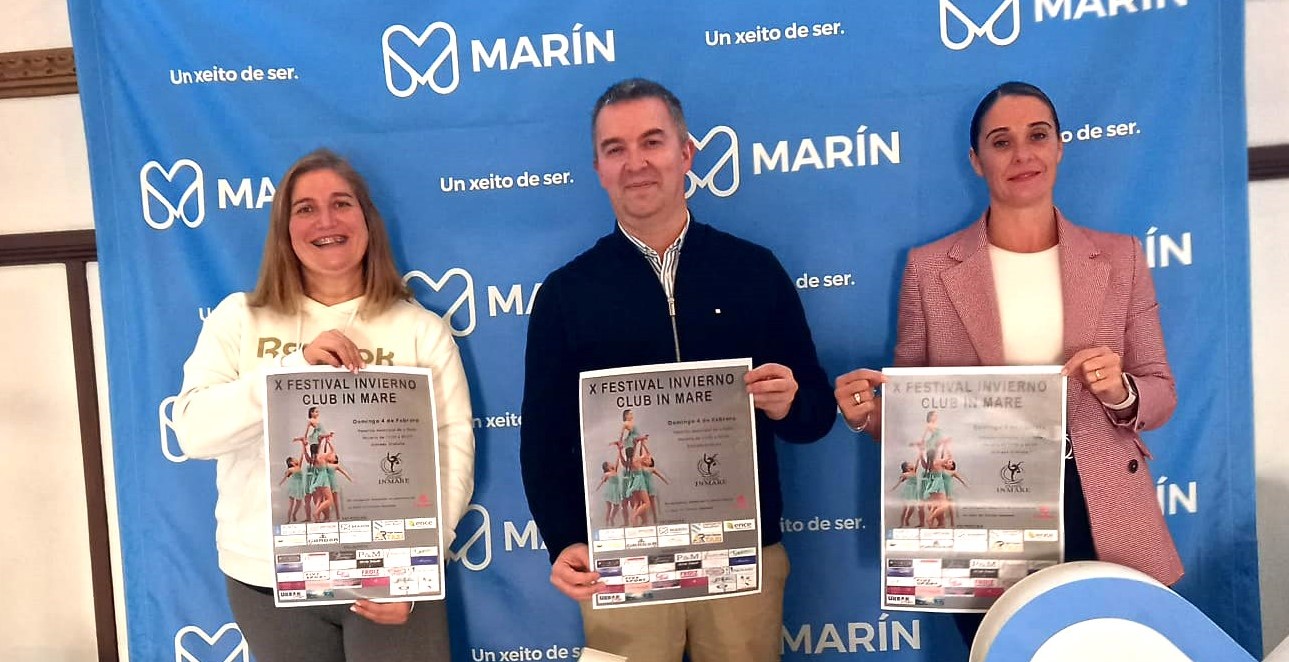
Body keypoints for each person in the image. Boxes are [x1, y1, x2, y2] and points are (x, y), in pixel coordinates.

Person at [834, 81, 1183, 642]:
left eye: (1037, 136)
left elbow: (1161, 392)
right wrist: (869, 417)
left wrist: (1120, 390)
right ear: (977, 161)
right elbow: (913, 416)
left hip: (1100, 502)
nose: (1022, 154)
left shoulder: (1121, 257)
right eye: (1001, 142)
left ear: (1059, 147)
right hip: (981, 507)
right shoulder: (929, 269)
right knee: (1005, 651)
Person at [519, 78, 835, 662]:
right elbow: (543, 439)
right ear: (598, 168)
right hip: (621, 559)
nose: (635, 163)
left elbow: (815, 415)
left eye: (652, 142)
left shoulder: (753, 270)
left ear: (686, 153)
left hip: (741, 556)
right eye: (615, 149)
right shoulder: (566, 294)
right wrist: (562, 539)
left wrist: (791, 403)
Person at [172, 148, 474, 661]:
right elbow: (193, 433)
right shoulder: (238, 319)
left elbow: (452, 450)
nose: (326, 221)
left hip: (391, 574)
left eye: (341, 204)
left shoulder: (420, 330)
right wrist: (292, 369)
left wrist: (416, 569)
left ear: (367, 220)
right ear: (284, 230)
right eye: (305, 209)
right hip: (268, 579)